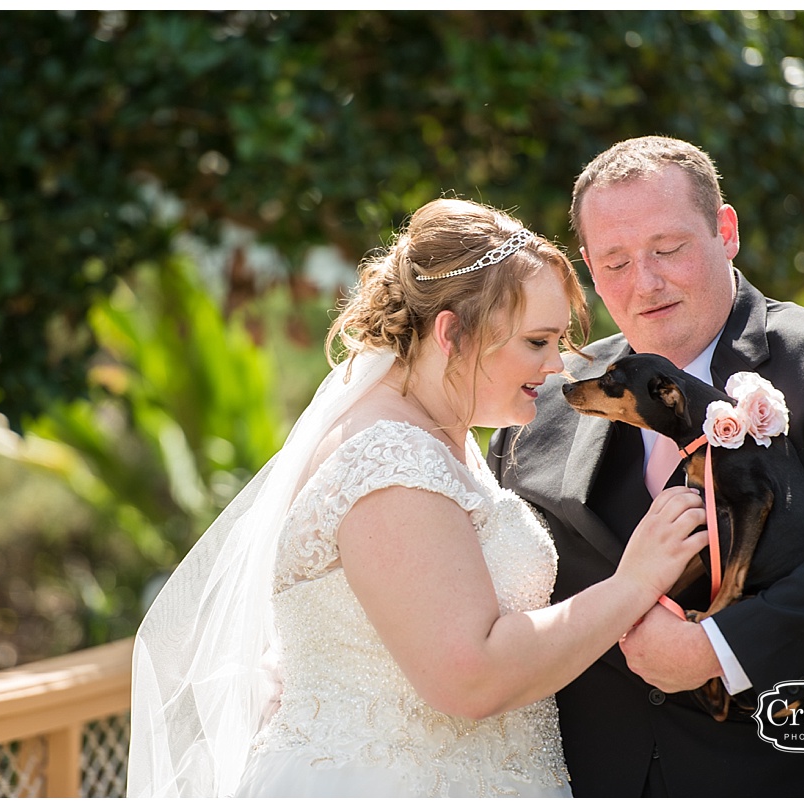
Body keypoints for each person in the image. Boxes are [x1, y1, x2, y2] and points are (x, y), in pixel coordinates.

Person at [127, 197, 709, 797]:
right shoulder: (392, 461)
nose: (558, 366)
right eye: (537, 341)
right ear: (452, 332)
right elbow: (470, 678)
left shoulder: (442, 440)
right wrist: (633, 584)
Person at [488, 135, 804, 797]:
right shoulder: (547, 402)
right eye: (615, 261)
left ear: (725, 230)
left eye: (667, 249)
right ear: (588, 265)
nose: (644, 282)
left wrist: (719, 650)